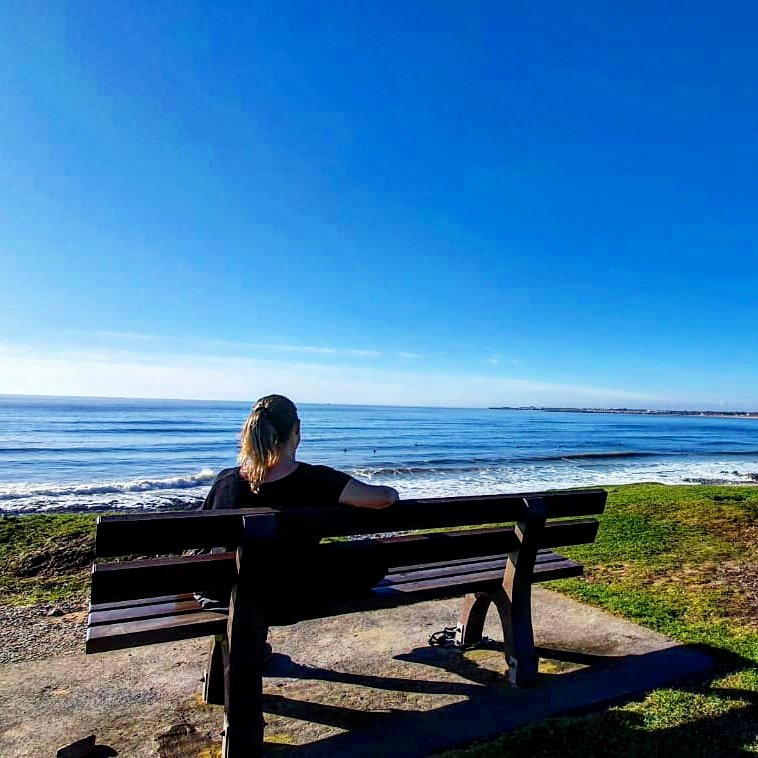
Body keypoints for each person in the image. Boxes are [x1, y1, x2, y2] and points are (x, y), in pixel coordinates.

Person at [203, 394, 399, 511]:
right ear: (296, 429)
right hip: (300, 580)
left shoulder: (225, 481)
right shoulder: (317, 480)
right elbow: (384, 497)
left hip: (235, 580)